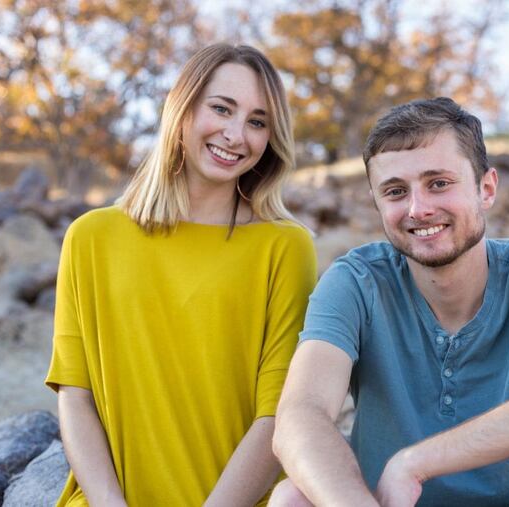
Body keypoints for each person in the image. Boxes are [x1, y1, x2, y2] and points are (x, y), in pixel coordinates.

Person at [270, 97, 509, 506]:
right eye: (395, 191)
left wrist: (417, 462)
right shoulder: (356, 281)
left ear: (486, 188)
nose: (418, 209)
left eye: (438, 183)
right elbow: (301, 416)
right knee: (292, 498)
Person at [45, 43, 316, 507]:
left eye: (257, 121)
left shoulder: (285, 247)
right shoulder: (91, 238)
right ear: (182, 108)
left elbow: (278, 414)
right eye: (221, 108)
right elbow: (76, 394)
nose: (236, 135)